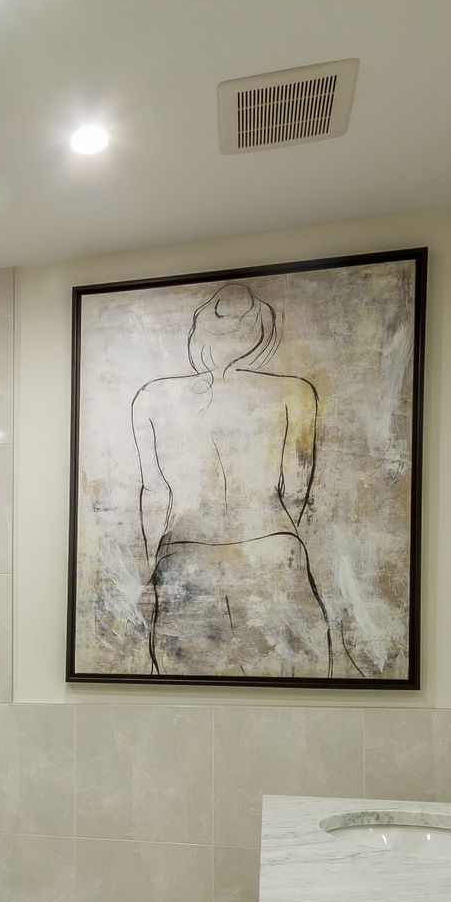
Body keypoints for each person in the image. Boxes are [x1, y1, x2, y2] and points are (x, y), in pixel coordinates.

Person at [130, 282, 332, 678]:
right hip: (271, 548)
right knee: (293, 687)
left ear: (199, 332)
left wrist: (154, 561)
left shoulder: (151, 398)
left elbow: (155, 495)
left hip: (185, 555)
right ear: (261, 332)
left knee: (184, 692)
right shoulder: (295, 393)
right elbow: (295, 491)